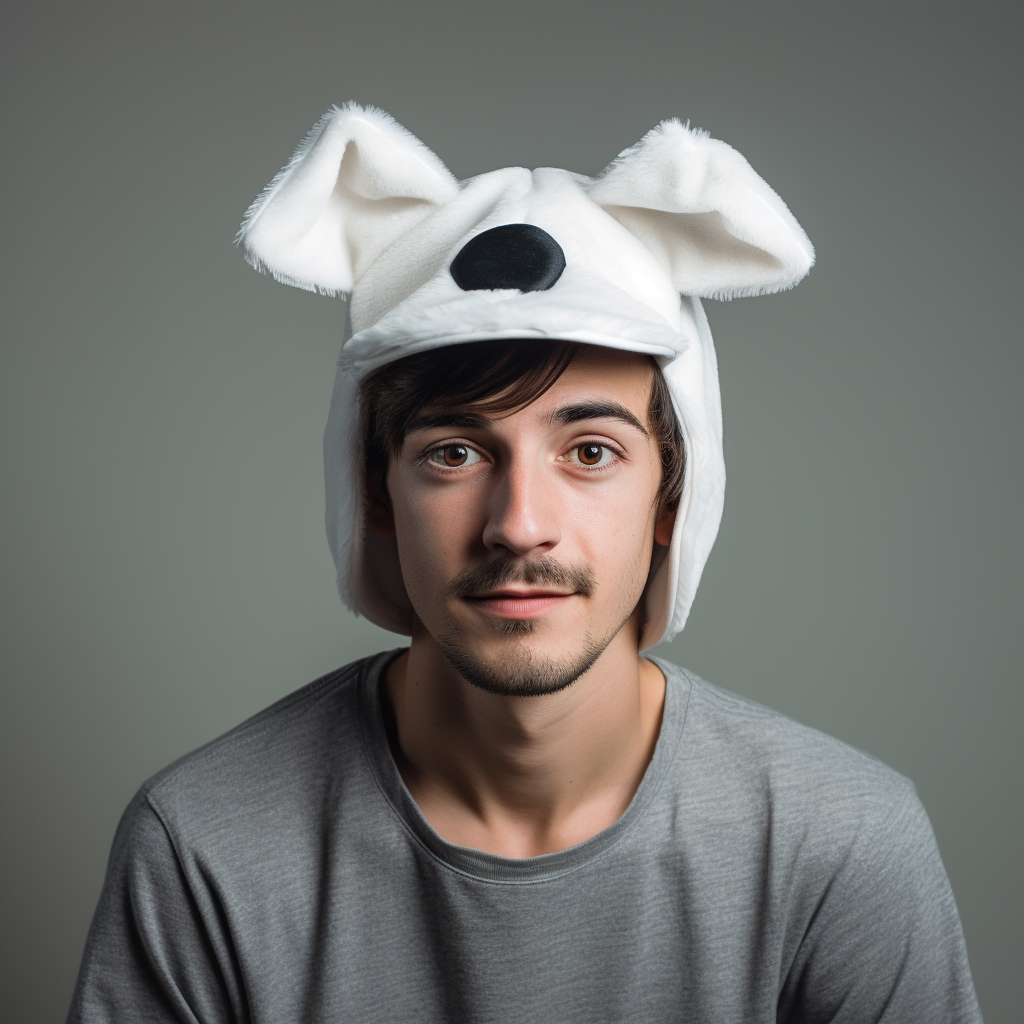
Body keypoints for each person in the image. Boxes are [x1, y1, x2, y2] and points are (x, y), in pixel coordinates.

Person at [67, 104, 982, 1022]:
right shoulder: (204, 845)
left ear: (673, 499)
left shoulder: (840, 843)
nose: (519, 525)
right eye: (455, 453)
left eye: (590, 452)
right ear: (377, 493)